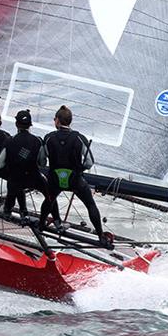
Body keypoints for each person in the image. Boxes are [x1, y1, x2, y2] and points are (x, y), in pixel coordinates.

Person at [39, 105, 112, 248]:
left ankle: (41, 225)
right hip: (75, 180)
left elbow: (41, 161)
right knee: (90, 205)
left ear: (58, 121)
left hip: (55, 180)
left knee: (49, 200)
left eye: (55, 119)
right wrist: (79, 169)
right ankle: (100, 236)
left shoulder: (48, 138)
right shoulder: (79, 138)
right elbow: (90, 162)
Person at [1, 109, 59, 226]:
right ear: (30, 125)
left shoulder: (9, 140)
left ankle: (11, 211)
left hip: (16, 179)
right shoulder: (37, 140)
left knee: (14, 185)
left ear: (16, 124)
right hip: (34, 177)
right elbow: (42, 162)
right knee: (50, 195)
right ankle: (57, 221)